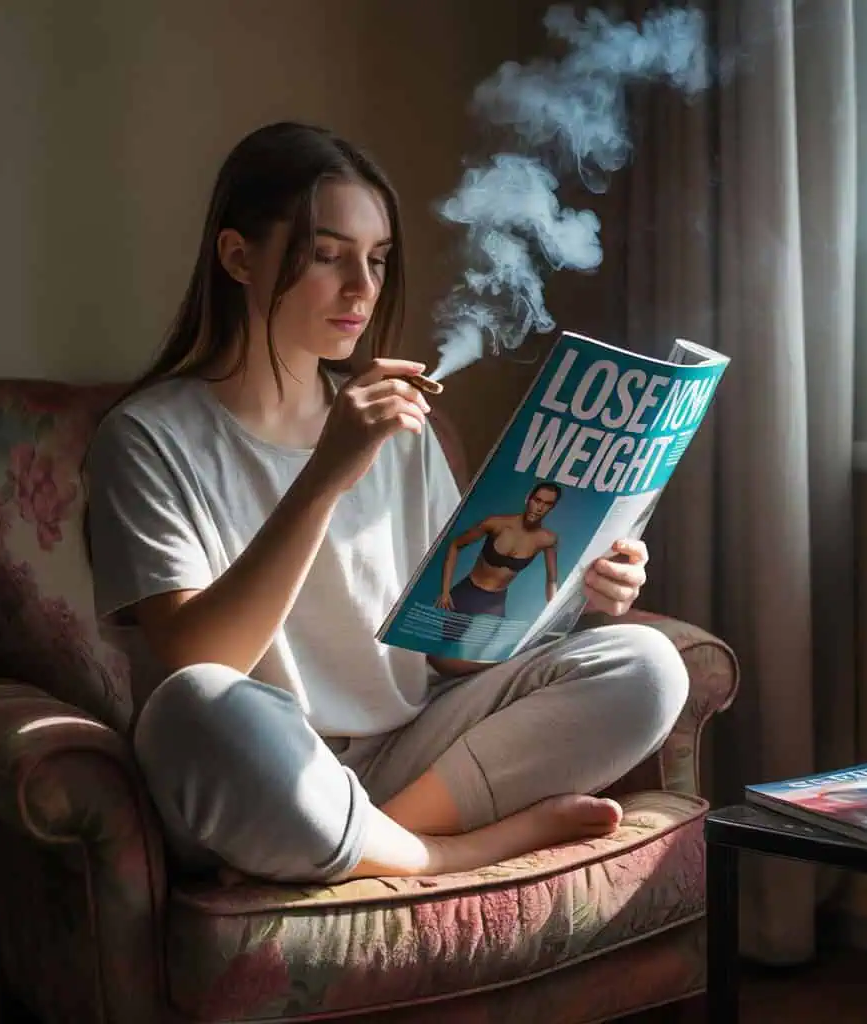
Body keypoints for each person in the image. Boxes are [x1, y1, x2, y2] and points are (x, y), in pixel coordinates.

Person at [84, 121, 690, 884]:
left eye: (375, 261)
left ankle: (375, 842)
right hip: (260, 766)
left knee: (648, 664)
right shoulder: (145, 439)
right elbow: (205, 658)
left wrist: (577, 591)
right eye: (328, 256)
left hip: (406, 758)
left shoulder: (404, 430)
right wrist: (325, 475)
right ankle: (448, 853)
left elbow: (445, 651)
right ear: (239, 257)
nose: (361, 290)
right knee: (194, 707)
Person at [435, 481, 560, 639]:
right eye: (537, 500)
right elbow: (455, 545)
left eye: (547, 504)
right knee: (445, 646)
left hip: (495, 602)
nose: (540, 508)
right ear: (528, 498)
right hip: (467, 593)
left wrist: (553, 612)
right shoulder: (497, 523)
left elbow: (552, 580)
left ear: (552, 508)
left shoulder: (547, 539)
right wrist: (445, 591)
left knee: (481, 655)